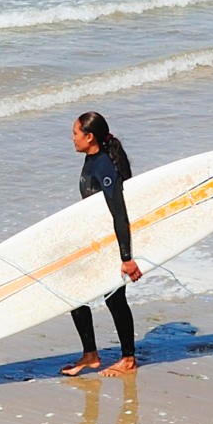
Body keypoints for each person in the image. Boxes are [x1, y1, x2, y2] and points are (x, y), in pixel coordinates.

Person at [61, 110, 141, 377]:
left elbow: (119, 212)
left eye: (75, 133)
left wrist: (127, 257)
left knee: (115, 300)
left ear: (89, 136)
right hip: (96, 243)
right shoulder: (91, 159)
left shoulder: (104, 165)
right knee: (74, 295)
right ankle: (90, 355)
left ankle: (128, 359)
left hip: (111, 244)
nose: (72, 138)